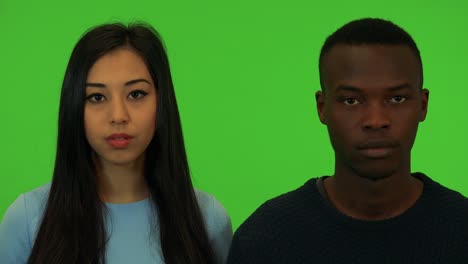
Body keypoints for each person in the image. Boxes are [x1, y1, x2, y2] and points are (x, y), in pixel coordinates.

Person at [227, 18, 468, 263]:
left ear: (423, 105)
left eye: (396, 99)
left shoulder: (462, 229)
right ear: (322, 108)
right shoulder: (265, 239)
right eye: (351, 100)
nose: (376, 120)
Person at [0, 23, 232, 264]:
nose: (118, 115)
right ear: (74, 108)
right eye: (97, 97)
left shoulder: (208, 219)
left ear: (162, 101)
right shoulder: (27, 219)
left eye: (136, 94)